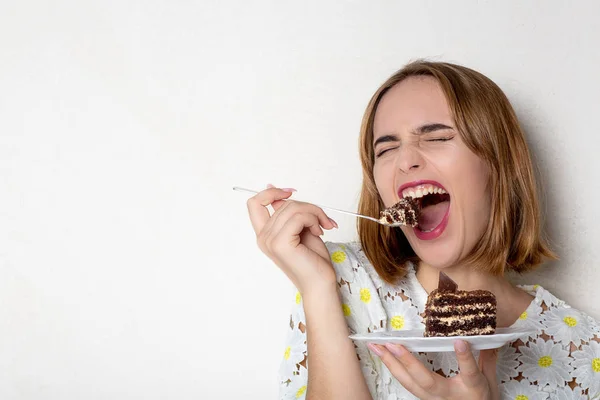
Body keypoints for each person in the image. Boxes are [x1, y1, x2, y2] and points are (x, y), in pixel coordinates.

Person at [246, 61, 600, 400]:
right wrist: (318, 289)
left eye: (437, 137)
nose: (405, 160)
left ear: (499, 163)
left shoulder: (581, 349)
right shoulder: (339, 279)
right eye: (385, 148)